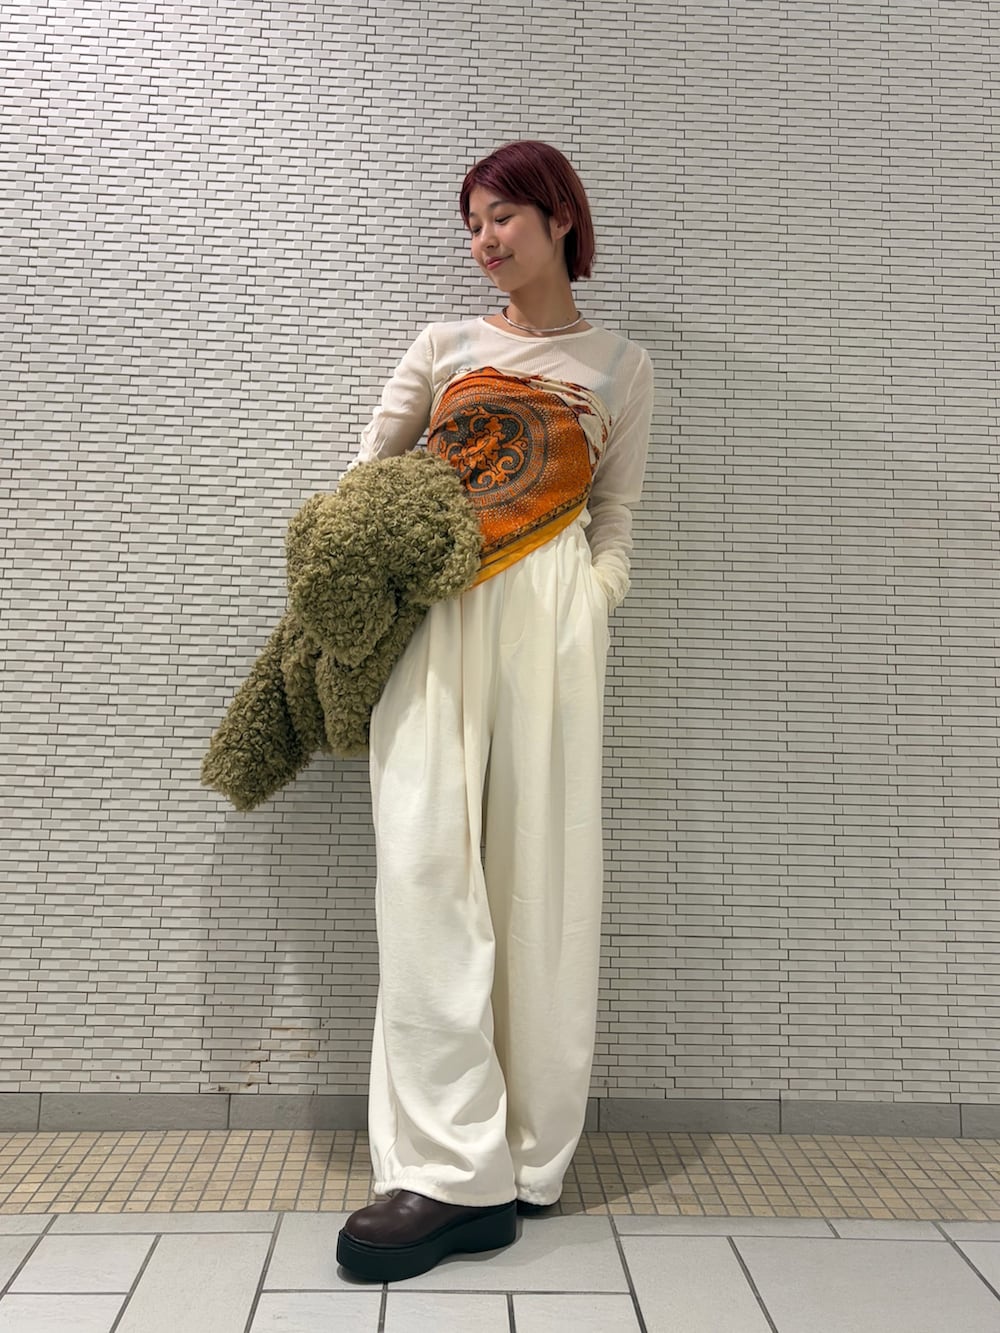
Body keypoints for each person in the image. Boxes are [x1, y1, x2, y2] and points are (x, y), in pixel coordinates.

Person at [335, 139, 655, 1283]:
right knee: (424, 868)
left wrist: (593, 599)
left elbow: (617, 514)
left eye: (502, 215)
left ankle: (522, 1158)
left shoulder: (620, 365)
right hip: (438, 617)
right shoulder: (445, 347)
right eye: (471, 222)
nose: (483, 239)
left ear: (560, 216)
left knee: (538, 878)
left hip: (551, 626)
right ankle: (443, 1165)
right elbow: (362, 483)